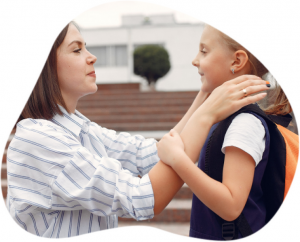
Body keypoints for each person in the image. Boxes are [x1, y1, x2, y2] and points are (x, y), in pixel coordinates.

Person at [6, 22, 269, 238]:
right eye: (77, 50)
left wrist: (204, 97)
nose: (91, 56)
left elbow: (149, 156)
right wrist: (206, 115)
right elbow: (142, 198)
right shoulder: (37, 140)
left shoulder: (80, 128)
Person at [157, 24, 293, 240]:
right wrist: (204, 93)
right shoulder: (228, 118)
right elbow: (176, 139)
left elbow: (231, 205)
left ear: (237, 61)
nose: (195, 60)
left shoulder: (244, 123)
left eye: (204, 51)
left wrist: (178, 160)